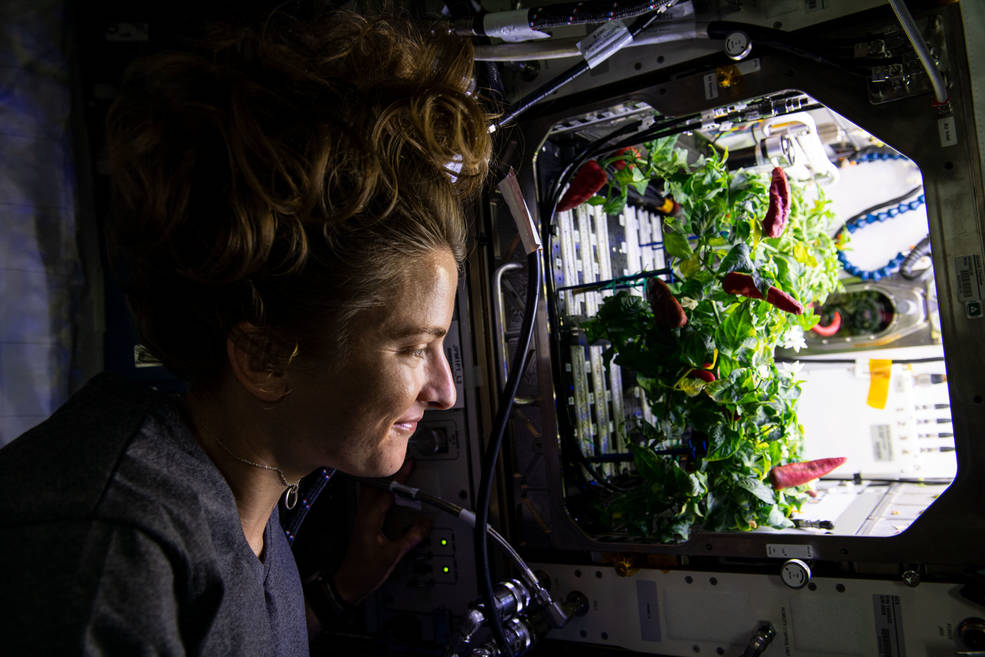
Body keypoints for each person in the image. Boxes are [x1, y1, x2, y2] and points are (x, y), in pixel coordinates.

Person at [0, 8, 491, 656]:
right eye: (413, 347)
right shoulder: (111, 548)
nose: (446, 390)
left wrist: (339, 591)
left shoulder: (243, 515)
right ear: (264, 358)